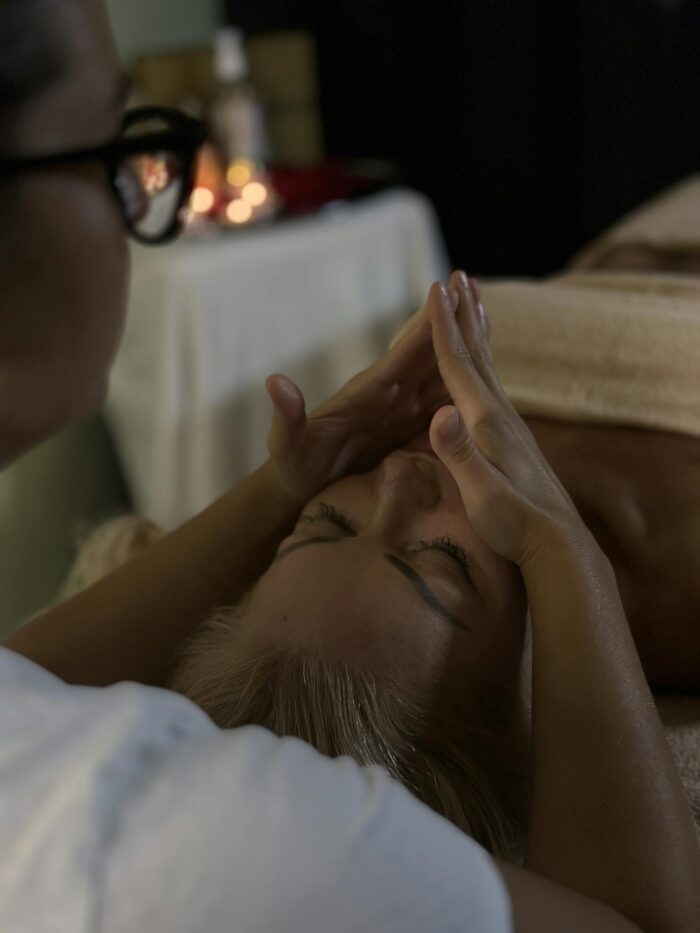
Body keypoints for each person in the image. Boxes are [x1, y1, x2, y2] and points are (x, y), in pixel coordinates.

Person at [0, 3, 698, 933]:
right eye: (105, 155)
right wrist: (565, 549)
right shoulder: (248, 848)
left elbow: (20, 680)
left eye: (323, 524)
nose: (399, 483)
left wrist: (283, 492)